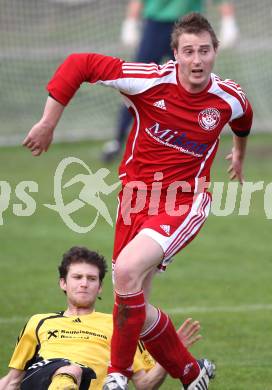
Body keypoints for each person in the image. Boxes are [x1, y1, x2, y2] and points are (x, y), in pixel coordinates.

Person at [23, 12, 253, 389]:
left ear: (215, 52)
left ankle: (116, 376)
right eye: (189, 51)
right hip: (135, 201)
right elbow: (78, 64)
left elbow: (243, 121)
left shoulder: (228, 97)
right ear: (175, 54)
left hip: (185, 202)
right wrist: (49, 121)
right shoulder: (147, 81)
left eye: (205, 51)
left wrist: (238, 155)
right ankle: (193, 374)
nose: (197, 60)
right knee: (135, 308)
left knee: (126, 272)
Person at [0, 246, 202, 390]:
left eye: (92, 279)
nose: (84, 284)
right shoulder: (39, 322)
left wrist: (170, 354)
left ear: (100, 287)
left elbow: (145, 384)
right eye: (77, 277)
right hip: (45, 379)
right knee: (71, 371)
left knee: (76, 372)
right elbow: (12, 381)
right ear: (63, 283)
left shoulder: (120, 325)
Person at [101, 0, 239, 162]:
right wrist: (130, 21)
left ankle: (196, 142)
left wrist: (228, 19)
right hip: (156, 26)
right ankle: (118, 140)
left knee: (196, 86)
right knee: (135, 84)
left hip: (189, 26)